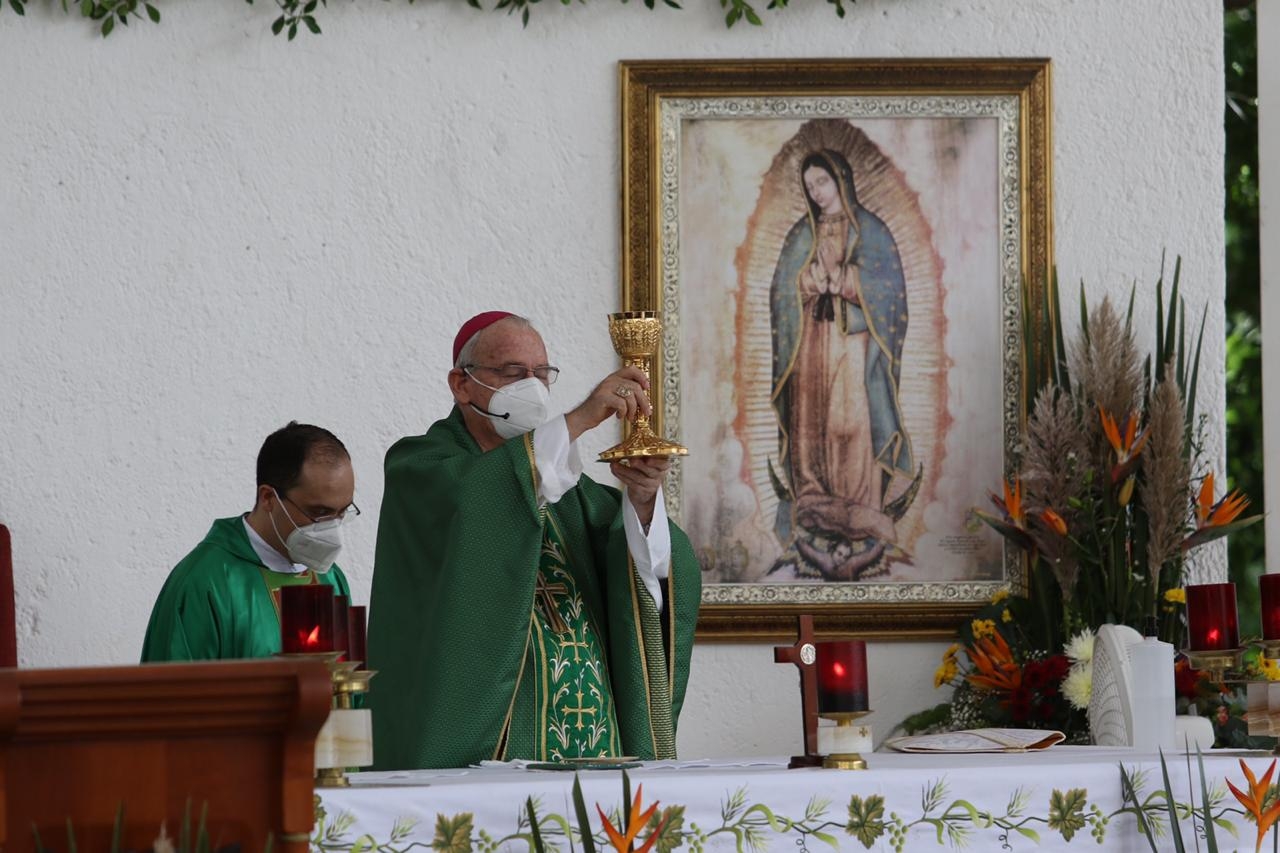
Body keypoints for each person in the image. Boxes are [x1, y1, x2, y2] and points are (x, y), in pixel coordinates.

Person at [368, 312, 701, 769]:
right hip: (490, 750)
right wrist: (581, 418)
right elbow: (474, 501)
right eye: (512, 373)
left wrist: (643, 501)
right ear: (461, 384)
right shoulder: (421, 466)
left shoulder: (569, 489)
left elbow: (652, 571)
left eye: (542, 374)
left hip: (596, 742)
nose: (533, 386)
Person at [769, 148, 916, 581]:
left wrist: (851, 282)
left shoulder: (869, 231)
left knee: (849, 421)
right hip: (812, 344)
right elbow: (783, 290)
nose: (816, 193)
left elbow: (891, 290)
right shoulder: (802, 234)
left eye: (822, 183)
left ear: (841, 181)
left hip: (854, 343)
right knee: (811, 423)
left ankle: (860, 505)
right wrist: (808, 281)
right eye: (810, 186)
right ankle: (814, 499)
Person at [141, 422, 357, 662]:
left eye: (342, 513)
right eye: (319, 512)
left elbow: (348, 693)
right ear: (268, 498)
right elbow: (175, 694)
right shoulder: (204, 583)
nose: (332, 528)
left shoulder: (331, 579)